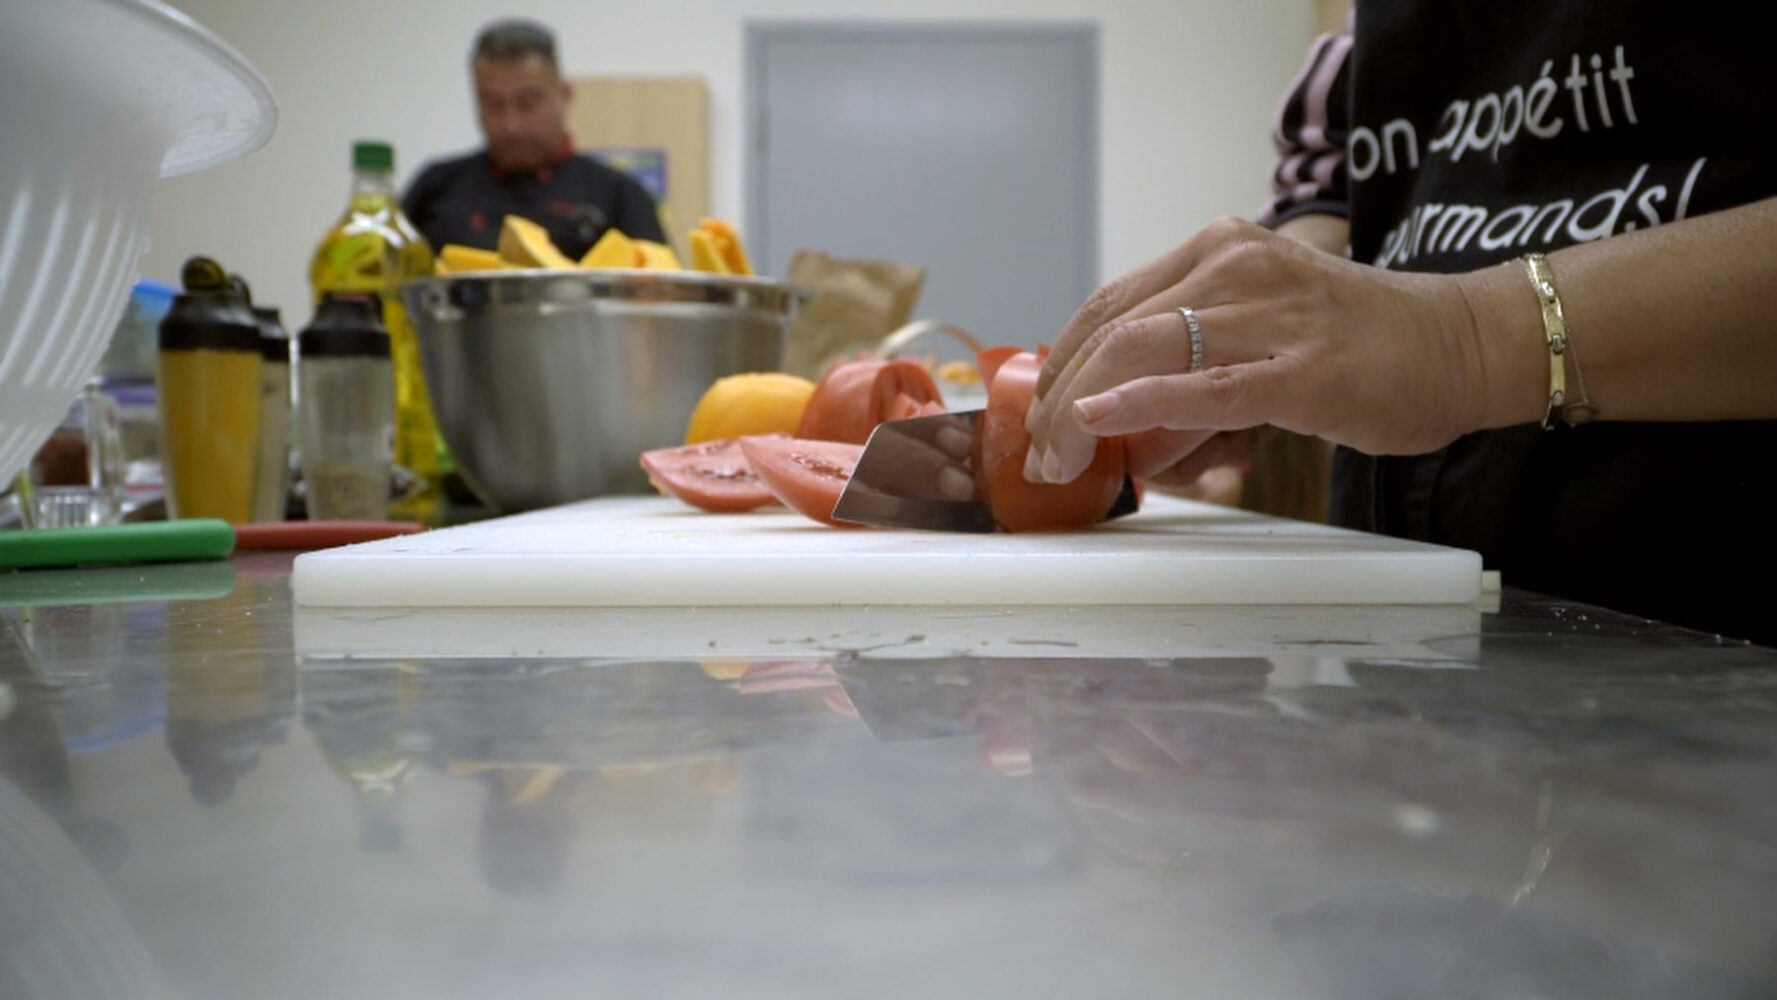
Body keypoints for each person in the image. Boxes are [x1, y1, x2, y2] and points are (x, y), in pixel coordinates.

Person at [1022, 2, 1777, 646]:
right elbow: (1337, 170)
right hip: (1418, 630)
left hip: (1714, 625)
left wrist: (1465, 340)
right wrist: (1264, 338)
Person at [401, 18, 667, 260]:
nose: (511, 124)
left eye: (527, 103)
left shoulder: (619, 196)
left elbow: (660, 290)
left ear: (565, 96)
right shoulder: (435, 187)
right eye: (493, 104)